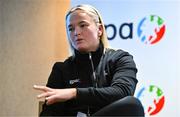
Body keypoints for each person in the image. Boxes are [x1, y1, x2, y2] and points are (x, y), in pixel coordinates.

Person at [33, 4, 144, 116]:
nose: (76, 33)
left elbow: (122, 92)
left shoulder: (120, 59)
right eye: (71, 29)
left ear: (99, 29)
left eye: (83, 25)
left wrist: (74, 93)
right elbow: (49, 114)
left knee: (133, 104)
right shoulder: (61, 69)